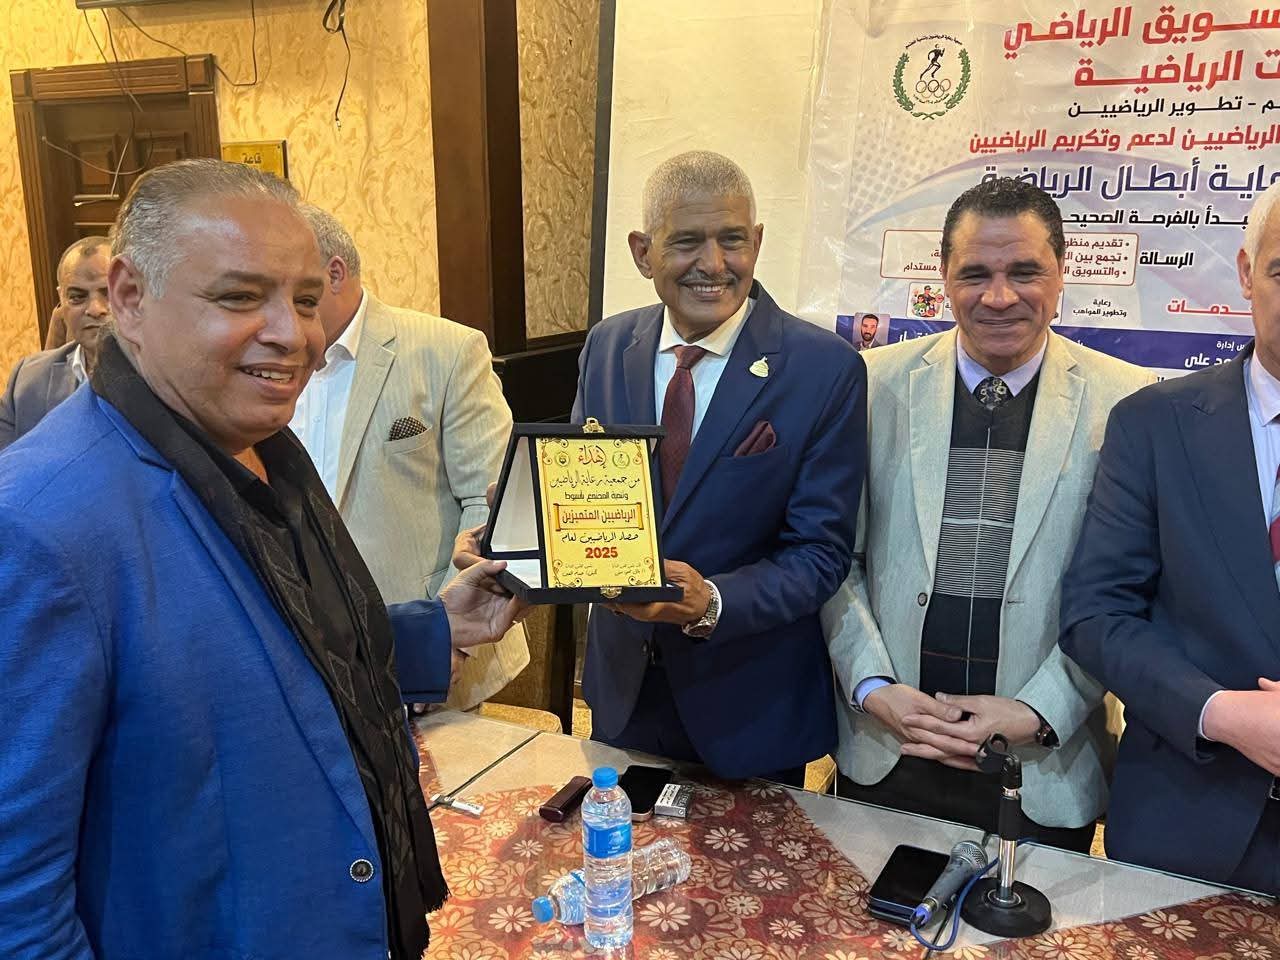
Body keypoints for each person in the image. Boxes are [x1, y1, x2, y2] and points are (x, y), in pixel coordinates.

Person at [0, 159, 524, 960]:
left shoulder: (262, 448)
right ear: (129, 297)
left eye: (306, 300)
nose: (294, 335)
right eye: (241, 297)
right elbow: (17, 904)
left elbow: (256, 660)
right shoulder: (39, 525)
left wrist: (435, 630)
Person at [823, 177, 1153, 851]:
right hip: (888, 746)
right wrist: (873, 685)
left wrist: (1039, 710)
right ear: (944, 276)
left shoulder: (1128, 404)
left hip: (1041, 767)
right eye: (975, 274)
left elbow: (1126, 595)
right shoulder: (871, 385)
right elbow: (834, 557)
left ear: (1061, 272)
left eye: (1024, 272)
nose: (999, 296)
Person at [571, 150, 866, 786]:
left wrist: (712, 603)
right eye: (686, 242)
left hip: (749, 706)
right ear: (642, 252)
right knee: (619, 847)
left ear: (756, 242)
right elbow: (582, 494)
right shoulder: (607, 346)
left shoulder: (825, 369)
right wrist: (523, 525)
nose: (713, 264)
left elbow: (820, 553)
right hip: (623, 692)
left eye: (732, 240)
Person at [1060, 179, 1280, 893]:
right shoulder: (1154, 425)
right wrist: (1219, 712)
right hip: (1187, 819)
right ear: (1246, 272)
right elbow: (1097, 615)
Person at [292, 204, 529, 710]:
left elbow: (491, 504)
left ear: (334, 273)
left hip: (430, 653)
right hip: (307, 653)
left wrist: (441, 639)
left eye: (288, 287)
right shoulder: (273, 362)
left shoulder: (447, 349)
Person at [0, 236, 110, 449]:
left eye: (108, 293)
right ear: (61, 300)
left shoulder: (165, 380)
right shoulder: (26, 380)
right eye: (77, 296)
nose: (95, 309)